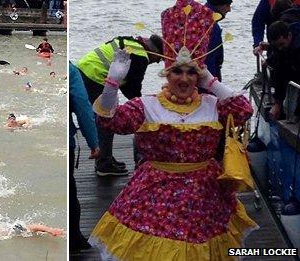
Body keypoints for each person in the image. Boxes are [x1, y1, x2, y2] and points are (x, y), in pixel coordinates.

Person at [88, 1, 257, 259]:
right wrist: (112, 84)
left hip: (204, 197)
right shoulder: (148, 105)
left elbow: (244, 110)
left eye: (192, 72)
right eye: (177, 71)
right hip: (156, 194)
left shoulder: (212, 105)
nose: (184, 79)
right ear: (167, 73)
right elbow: (110, 122)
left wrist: (210, 80)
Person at [76, 34, 163, 175]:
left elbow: (124, 83)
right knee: (106, 119)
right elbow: (132, 89)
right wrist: (144, 110)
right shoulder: (141, 56)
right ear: (155, 52)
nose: (158, 62)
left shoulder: (131, 42)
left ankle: (106, 157)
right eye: (160, 58)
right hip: (95, 76)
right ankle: (104, 164)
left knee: (105, 115)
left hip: (85, 67)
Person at [69, 62, 100, 251]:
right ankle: (74, 239)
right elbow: (82, 106)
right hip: (65, 142)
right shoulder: (71, 70)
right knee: (70, 189)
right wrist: (93, 142)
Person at [266, 20, 300, 119]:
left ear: (289, 36)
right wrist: (278, 103)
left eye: (282, 44)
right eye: (277, 46)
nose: (280, 48)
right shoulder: (281, 49)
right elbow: (280, 74)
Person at [205, 0, 232, 82]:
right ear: (219, 5)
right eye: (227, 5)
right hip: (208, 78)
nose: (229, 9)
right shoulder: (212, 26)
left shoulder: (200, 18)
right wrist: (213, 85)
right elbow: (209, 59)